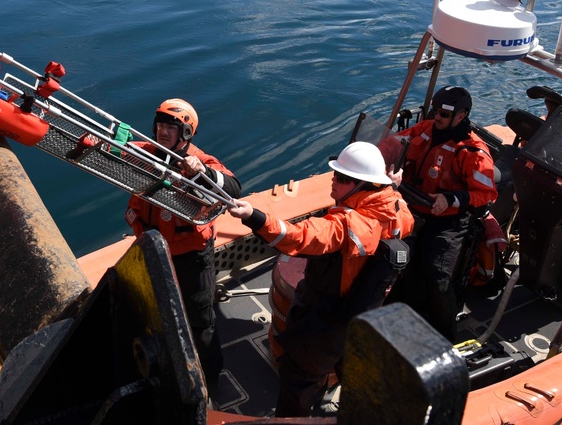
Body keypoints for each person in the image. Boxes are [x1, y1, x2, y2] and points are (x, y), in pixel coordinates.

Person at [228, 141, 414, 416]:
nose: (333, 182)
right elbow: (394, 207)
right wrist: (391, 185)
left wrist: (254, 217)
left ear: (363, 184)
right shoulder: (398, 208)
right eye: (334, 174)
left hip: (328, 318)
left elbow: (298, 237)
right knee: (353, 370)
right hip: (364, 313)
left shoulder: (348, 225)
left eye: (342, 178)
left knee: (298, 379)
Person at [125, 98, 241, 396]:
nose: (162, 132)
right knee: (160, 309)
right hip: (155, 250)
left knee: (201, 319)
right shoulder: (150, 153)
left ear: (186, 133)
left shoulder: (201, 161)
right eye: (160, 126)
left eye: (170, 128)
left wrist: (200, 171)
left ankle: (211, 378)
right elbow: (117, 150)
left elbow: (233, 187)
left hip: (190, 257)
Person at [393, 85, 497, 340]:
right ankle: (396, 315)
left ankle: (445, 334)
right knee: (394, 260)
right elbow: (393, 144)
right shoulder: (424, 130)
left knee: (437, 275)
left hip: (448, 220)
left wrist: (452, 199)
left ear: (461, 116)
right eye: (435, 111)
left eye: (443, 114)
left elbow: (487, 194)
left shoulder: (472, 152)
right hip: (412, 208)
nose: (437, 117)